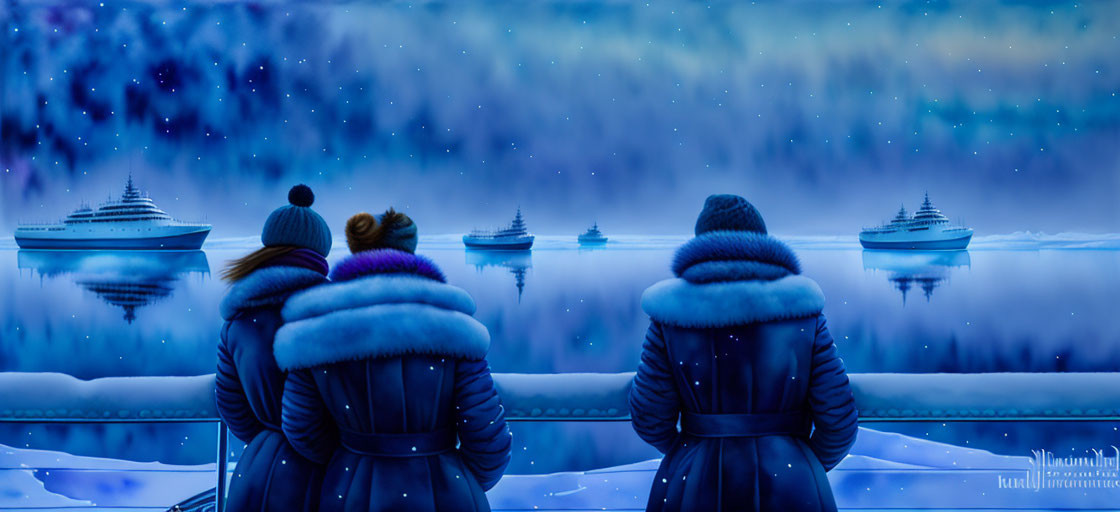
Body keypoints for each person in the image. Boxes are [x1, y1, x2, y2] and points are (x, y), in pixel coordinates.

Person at [629, 194, 859, 511]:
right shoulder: (803, 310)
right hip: (792, 482)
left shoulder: (670, 315)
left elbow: (649, 416)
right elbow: (839, 421)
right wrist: (802, 463)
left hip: (694, 482)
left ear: (700, 242)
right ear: (761, 241)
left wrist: (690, 454)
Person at [276, 208, 512, 511]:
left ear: (356, 249)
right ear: (411, 249)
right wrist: (459, 480)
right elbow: (487, 437)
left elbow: (300, 426)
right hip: (446, 493)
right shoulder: (456, 331)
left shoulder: (315, 332)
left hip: (350, 491)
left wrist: (348, 459)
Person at [215, 184, 332, 511]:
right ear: (319, 254)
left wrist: (268, 437)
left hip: (260, 468)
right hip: (326, 475)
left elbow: (231, 404)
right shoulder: (332, 316)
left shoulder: (239, 320)